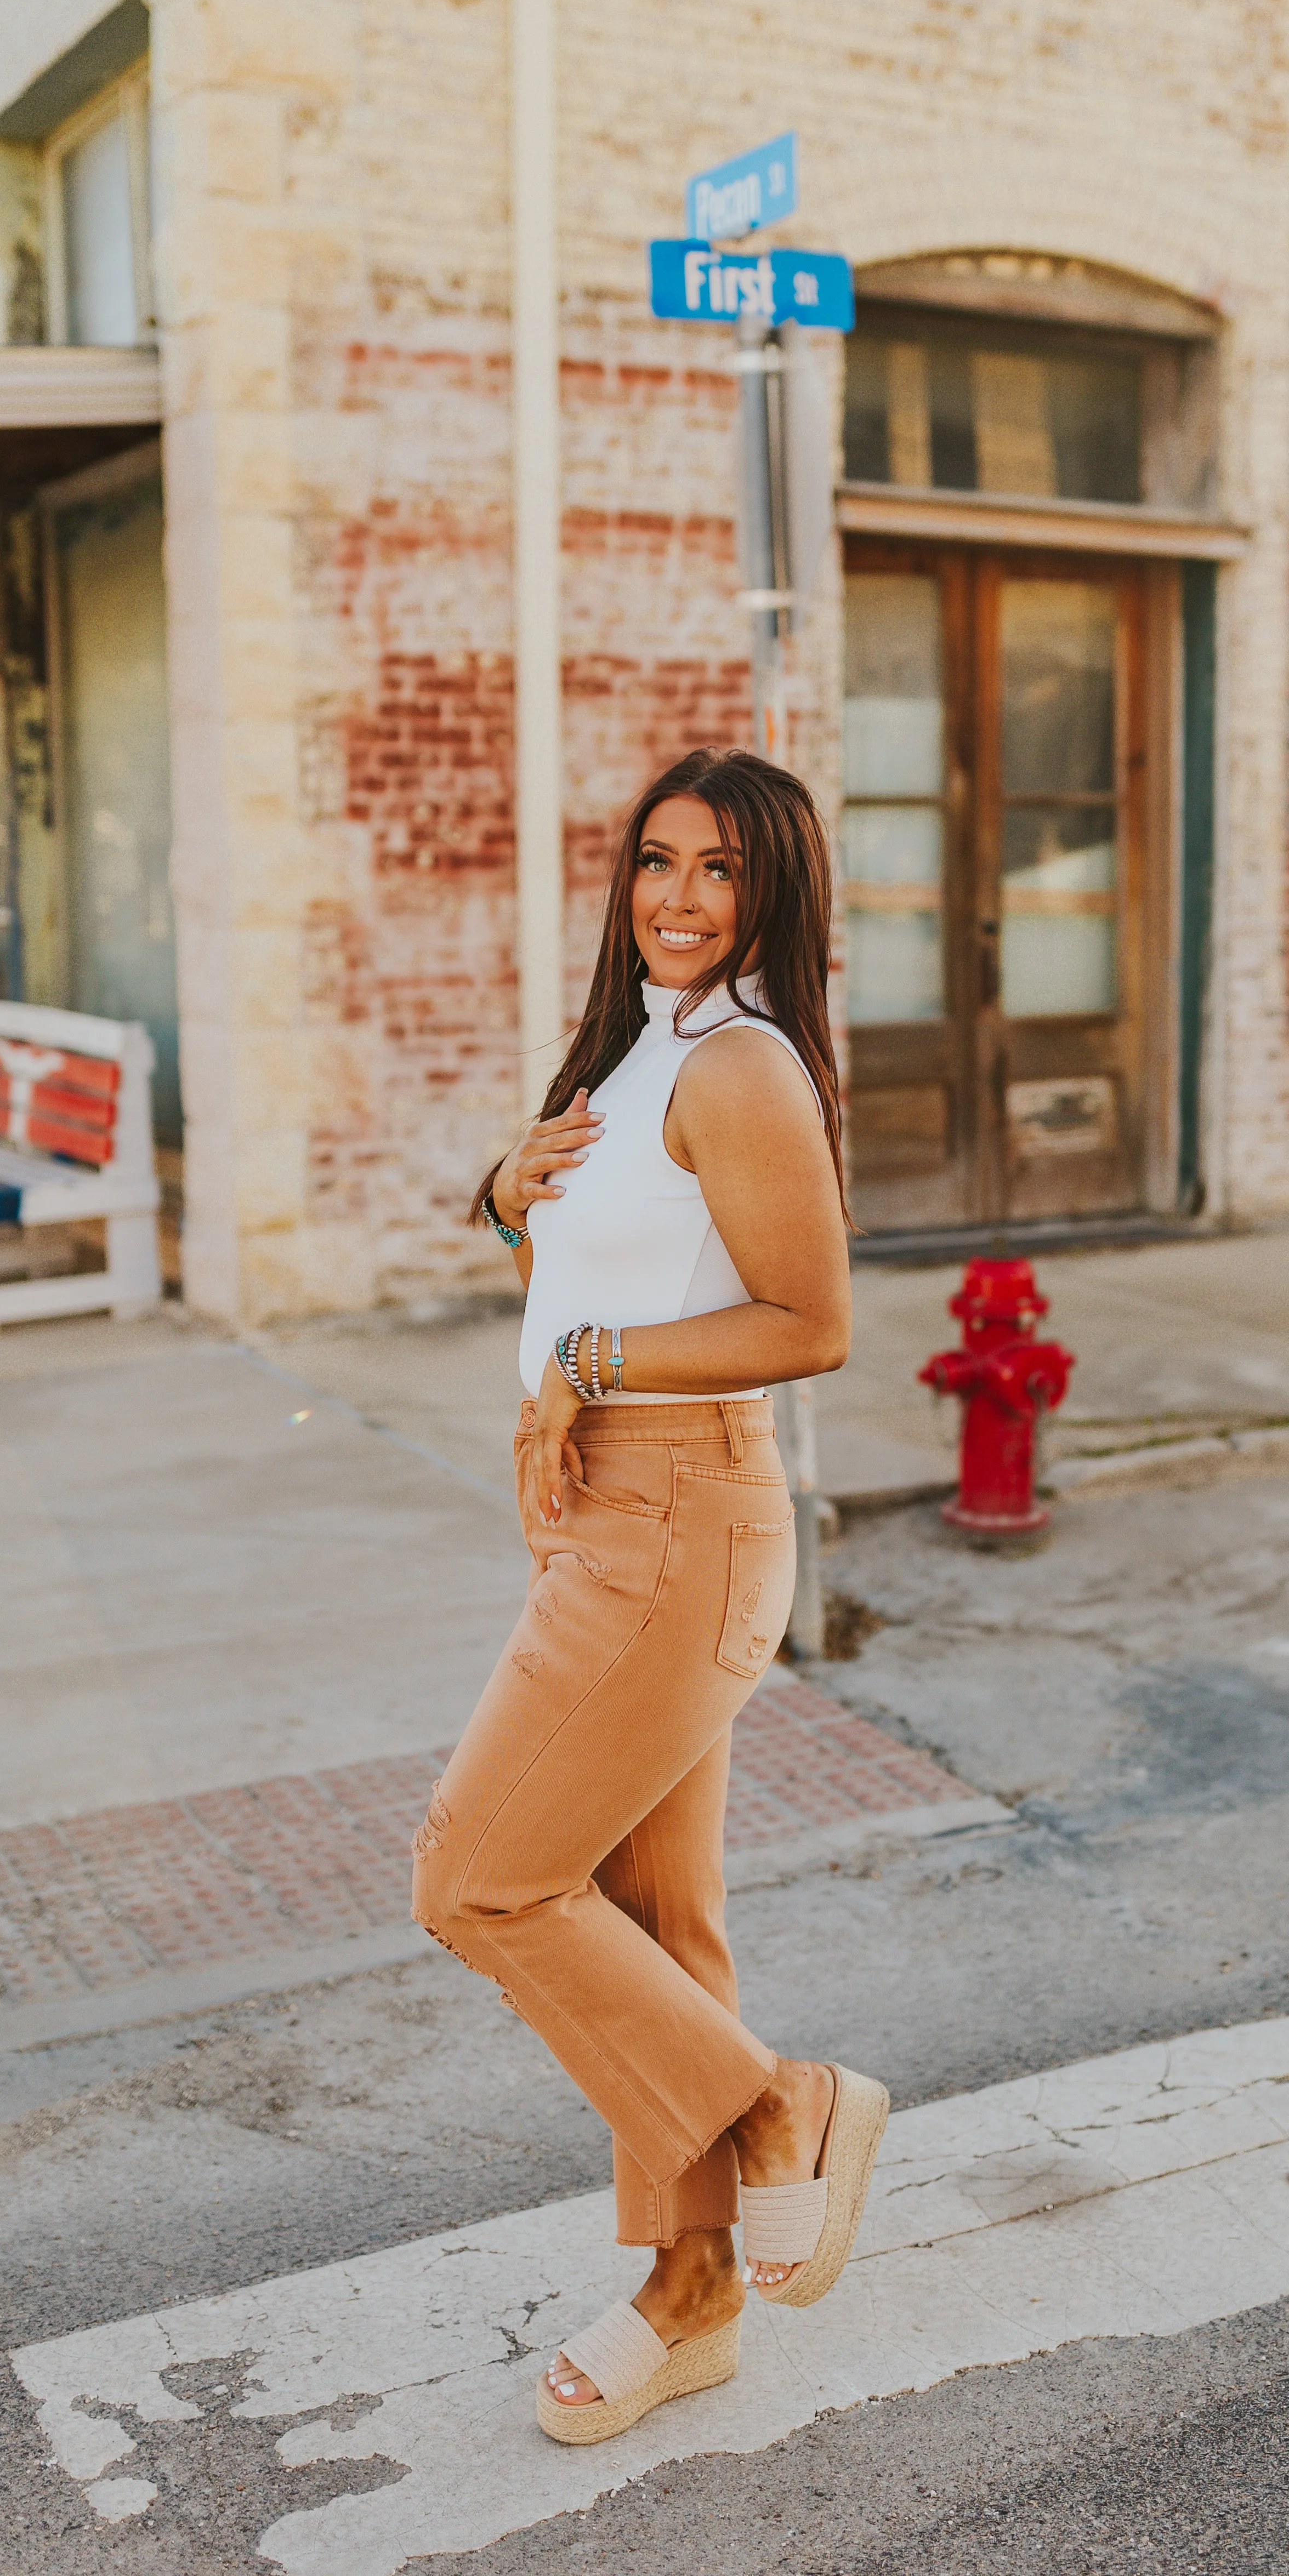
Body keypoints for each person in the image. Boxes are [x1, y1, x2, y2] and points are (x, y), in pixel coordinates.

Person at [412, 745, 889, 2448]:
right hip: (601, 1514)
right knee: (658, 1924)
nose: (683, 899)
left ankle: (781, 2115)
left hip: (674, 1523)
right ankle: (691, 2298)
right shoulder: (636, 1049)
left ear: (774, 897)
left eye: (723, 873)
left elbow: (809, 1319)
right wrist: (501, 1192)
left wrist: (595, 1363)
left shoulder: (743, 1066)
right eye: (659, 864)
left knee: (479, 1878)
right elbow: (594, 1245)